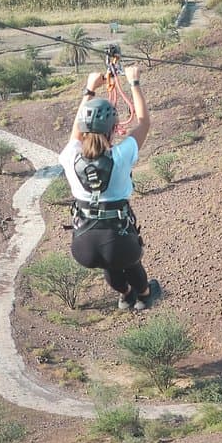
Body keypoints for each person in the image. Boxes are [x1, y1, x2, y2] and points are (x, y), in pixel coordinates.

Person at [58, 65, 157, 311]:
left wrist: (90, 88)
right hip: (120, 242)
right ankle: (144, 295)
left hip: (83, 248)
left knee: (108, 264)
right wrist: (134, 82)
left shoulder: (70, 156)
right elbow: (144, 122)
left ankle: (124, 295)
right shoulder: (121, 156)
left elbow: (75, 132)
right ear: (114, 129)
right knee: (129, 261)